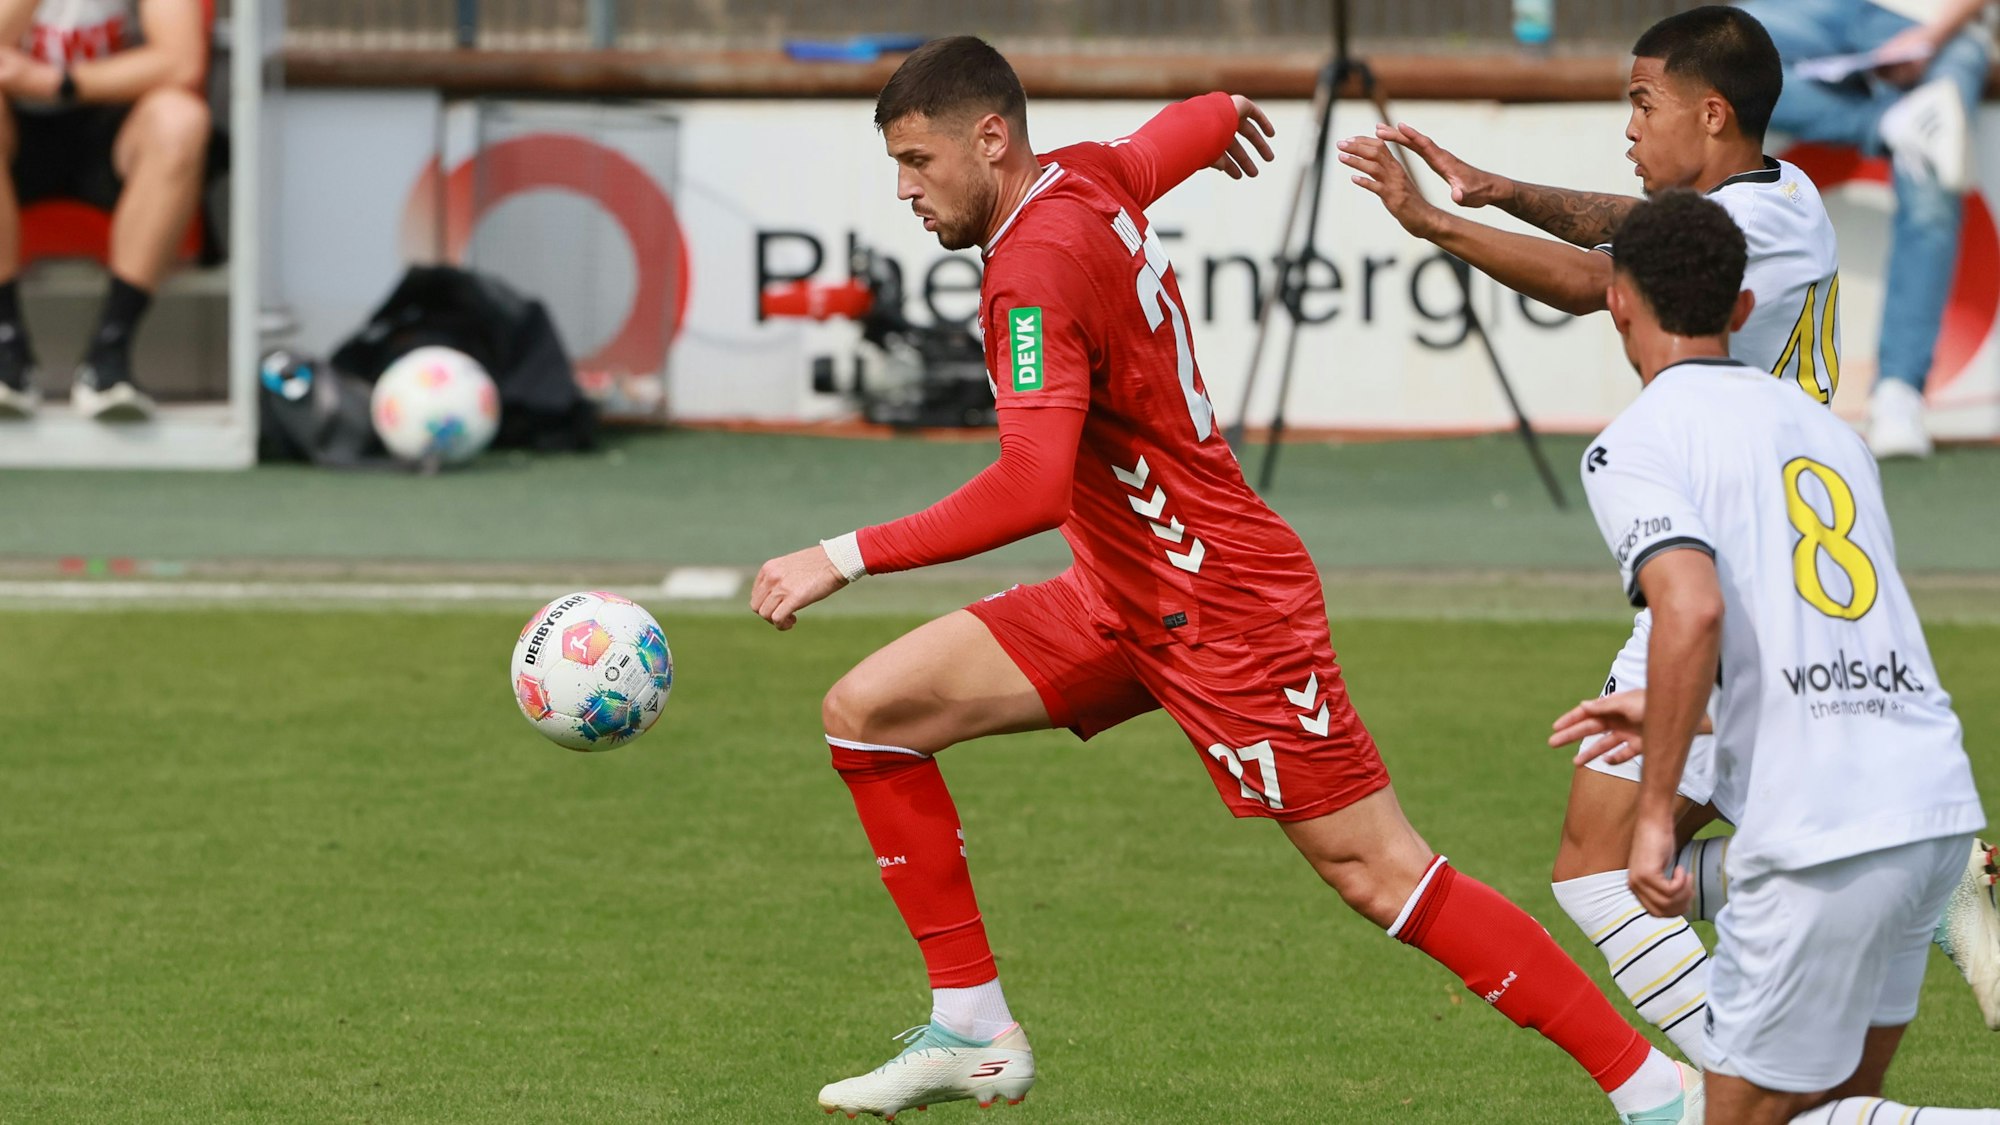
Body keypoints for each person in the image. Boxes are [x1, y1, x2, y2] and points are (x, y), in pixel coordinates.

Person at [753, 35, 1702, 1125]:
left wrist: (841, 555)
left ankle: (1656, 1091)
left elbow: (1028, 487)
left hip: (1222, 606)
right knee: (869, 714)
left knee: (1380, 871)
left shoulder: (1032, 270)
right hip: (1121, 592)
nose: (906, 191)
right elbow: (1180, 128)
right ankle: (972, 1027)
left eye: (918, 162)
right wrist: (1222, 116)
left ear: (992, 139)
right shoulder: (1085, 175)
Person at [1339, 5, 1841, 1068]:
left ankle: (1756, 1089)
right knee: (1647, 864)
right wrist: (1497, 189)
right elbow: (1631, 221)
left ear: (1712, 113)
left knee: (1598, 872)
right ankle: (1898, 914)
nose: (1628, 126)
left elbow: (1594, 281)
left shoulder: (1748, 234)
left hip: (1726, 578)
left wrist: (1431, 222)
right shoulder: (1782, 193)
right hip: (1772, 568)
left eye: (1642, 103)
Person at [1578, 187, 1995, 1125]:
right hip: (1931, 802)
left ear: (1617, 301)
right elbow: (1827, 637)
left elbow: (1692, 610)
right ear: (1741, 307)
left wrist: (1654, 817)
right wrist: (1688, 712)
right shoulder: (1834, 435)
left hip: (1818, 830)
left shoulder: (1636, 441)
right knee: (1833, 1109)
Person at [1738, 0, 1995, 458]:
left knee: (1930, 180)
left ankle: (1899, 391)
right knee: (1714, 57)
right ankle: (1888, 123)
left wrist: (1932, 36)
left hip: (1942, 26)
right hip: (1823, 11)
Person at [0, 0, 211, 421]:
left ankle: (109, 356)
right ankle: (6, 352)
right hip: (15, 134)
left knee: (180, 119)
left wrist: (58, 82)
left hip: (114, 128)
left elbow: (182, 61)